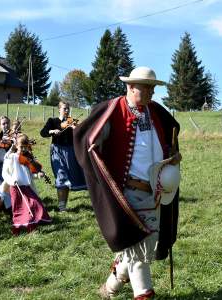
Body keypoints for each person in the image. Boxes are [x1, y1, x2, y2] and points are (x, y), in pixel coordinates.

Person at [73, 66, 181, 300]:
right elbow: (88, 139)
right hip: (127, 193)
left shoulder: (156, 113)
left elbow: (167, 142)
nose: (152, 92)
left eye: (153, 88)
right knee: (140, 253)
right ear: (131, 87)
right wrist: (95, 154)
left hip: (156, 192)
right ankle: (143, 294)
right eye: (147, 87)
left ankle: (111, 286)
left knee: (142, 247)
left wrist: (172, 156)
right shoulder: (113, 111)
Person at [40, 101, 86, 212]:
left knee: (70, 177)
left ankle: (63, 205)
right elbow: (43, 132)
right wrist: (52, 131)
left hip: (70, 151)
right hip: (57, 151)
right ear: (59, 109)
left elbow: (82, 134)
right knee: (61, 177)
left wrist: (76, 129)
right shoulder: (52, 121)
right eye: (64, 108)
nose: (66, 111)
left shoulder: (71, 121)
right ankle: (62, 207)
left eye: (68, 109)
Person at [2, 134, 51, 235]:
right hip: (16, 187)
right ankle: (20, 229)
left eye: (25, 146)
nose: (23, 149)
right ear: (16, 145)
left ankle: (31, 227)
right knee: (20, 209)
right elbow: (4, 173)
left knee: (34, 204)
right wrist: (11, 181)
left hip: (26, 187)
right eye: (21, 147)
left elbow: (29, 175)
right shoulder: (12, 157)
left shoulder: (27, 158)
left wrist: (38, 175)